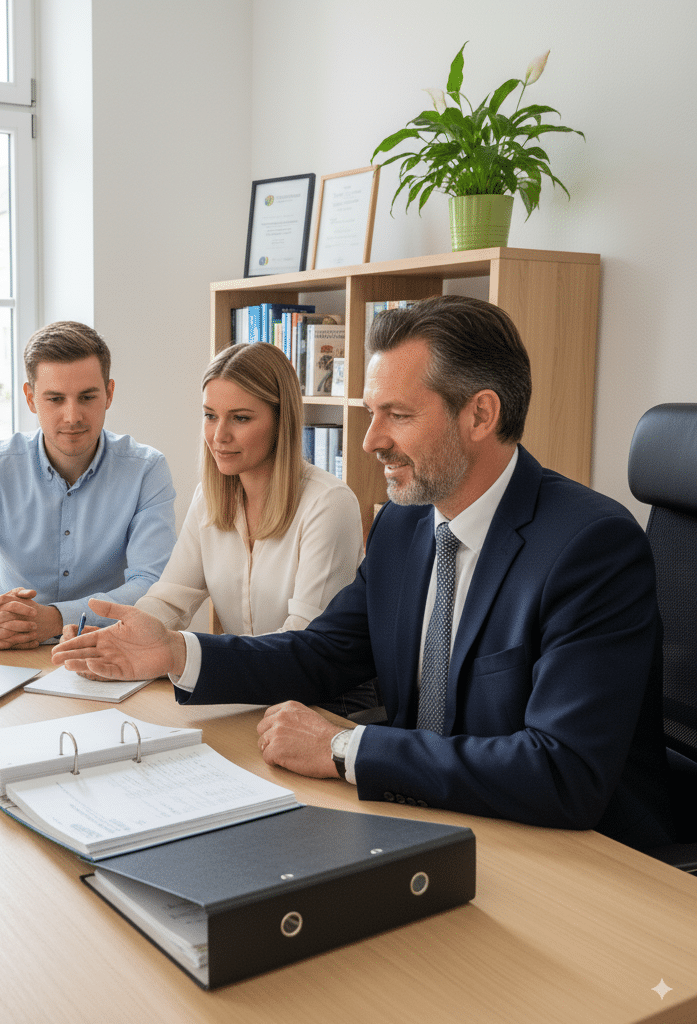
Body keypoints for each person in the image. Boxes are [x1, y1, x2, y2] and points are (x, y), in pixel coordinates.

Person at [52, 295, 675, 851]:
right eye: (370, 412)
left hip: (576, 854)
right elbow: (322, 653)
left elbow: (561, 770)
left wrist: (344, 747)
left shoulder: (590, 546)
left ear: (480, 415)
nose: (370, 439)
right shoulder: (406, 527)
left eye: (397, 415)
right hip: (435, 822)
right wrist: (174, 652)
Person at [0, 321, 177, 649]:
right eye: (55, 399)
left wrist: (56, 618)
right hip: (12, 652)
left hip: (107, 649)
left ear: (109, 394)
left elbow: (151, 586)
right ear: (30, 398)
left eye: (87, 397)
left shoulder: (146, 470)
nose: (72, 416)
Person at [133, 342, 363, 636]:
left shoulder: (329, 504)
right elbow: (168, 601)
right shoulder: (208, 498)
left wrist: (194, 656)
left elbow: (304, 637)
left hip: (314, 679)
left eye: (240, 418)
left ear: (282, 421)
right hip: (243, 678)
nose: (219, 436)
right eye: (210, 416)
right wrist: (118, 637)